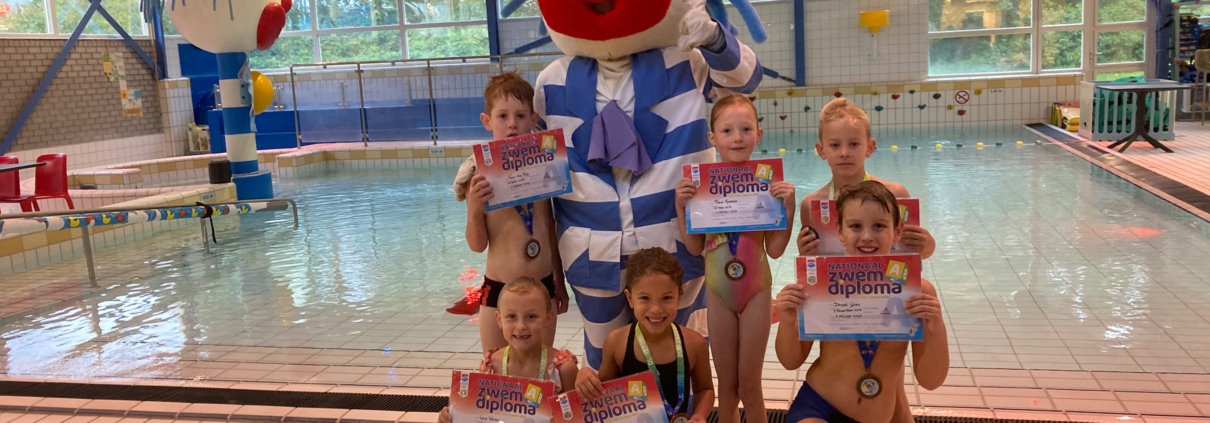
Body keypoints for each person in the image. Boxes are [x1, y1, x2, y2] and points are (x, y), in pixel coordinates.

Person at [531, 0, 765, 370]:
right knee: (605, 362)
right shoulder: (551, 82)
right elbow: (532, 160)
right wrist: (480, 166)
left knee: (681, 356)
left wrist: (715, 38)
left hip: (675, 245)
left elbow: (746, 80)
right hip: (591, 251)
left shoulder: (685, 63)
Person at [775, 181, 948, 423]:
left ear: (897, 231)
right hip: (818, 404)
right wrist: (787, 322)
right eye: (855, 226)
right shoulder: (819, 284)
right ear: (839, 231)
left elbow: (931, 381)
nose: (867, 237)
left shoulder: (916, 291)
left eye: (879, 226)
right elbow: (790, 361)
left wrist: (937, 328)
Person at [673, 94, 792, 423]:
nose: (737, 138)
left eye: (746, 129)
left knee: (750, 388)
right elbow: (695, 249)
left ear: (759, 134)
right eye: (727, 131)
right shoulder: (702, 187)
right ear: (713, 138)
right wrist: (681, 207)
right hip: (718, 293)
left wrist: (789, 207)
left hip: (756, 292)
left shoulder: (766, 183)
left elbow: (775, 250)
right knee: (727, 389)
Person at [452, 73, 568, 352]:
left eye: (520, 115)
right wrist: (474, 207)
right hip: (499, 289)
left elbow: (550, 228)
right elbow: (477, 245)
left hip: (542, 286)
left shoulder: (544, 166)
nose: (512, 123)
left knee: (540, 369)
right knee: (494, 368)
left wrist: (560, 283)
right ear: (487, 121)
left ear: (533, 119)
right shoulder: (477, 175)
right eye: (502, 116)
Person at [574, 248, 715, 423]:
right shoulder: (617, 342)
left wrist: (700, 414)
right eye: (645, 298)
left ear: (679, 296)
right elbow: (602, 394)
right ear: (630, 298)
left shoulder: (694, 343)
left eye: (666, 298)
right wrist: (585, 374)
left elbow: (705, 390)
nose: (656, 309)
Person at [796, 98, 935, 259]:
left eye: (853, 144)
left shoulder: (896, 195)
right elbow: (812, 263)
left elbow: (912, 255)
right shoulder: (811, 205)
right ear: (821, 150)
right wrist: (804, 254)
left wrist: (928, 247)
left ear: (869, 148)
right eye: (835, 145)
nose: (844, 153)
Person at [437, 277, 580, 423]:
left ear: (547, 319)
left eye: (531, 317)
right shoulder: (491, 366)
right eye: (511, 316)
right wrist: (452, 416)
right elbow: (478, 416)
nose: (521, 326)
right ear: (499, 320)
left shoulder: (563, 370)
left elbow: (578, 418)